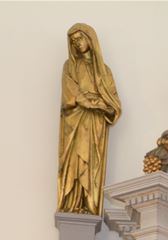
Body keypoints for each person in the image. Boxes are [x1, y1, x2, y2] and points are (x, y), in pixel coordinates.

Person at [57, 23, 121, 216]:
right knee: (75, 162)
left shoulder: (104, 71)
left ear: (90, 39)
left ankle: (89, 203)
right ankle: (73, 202)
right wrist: (88, 102)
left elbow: (113, 102)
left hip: (95, 124)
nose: (77, 43)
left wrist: (104, 106)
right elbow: (70, 93)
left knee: (92, 164)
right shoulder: (70, 66)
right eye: (73, 41)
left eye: (80, 38)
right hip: (76, 122)